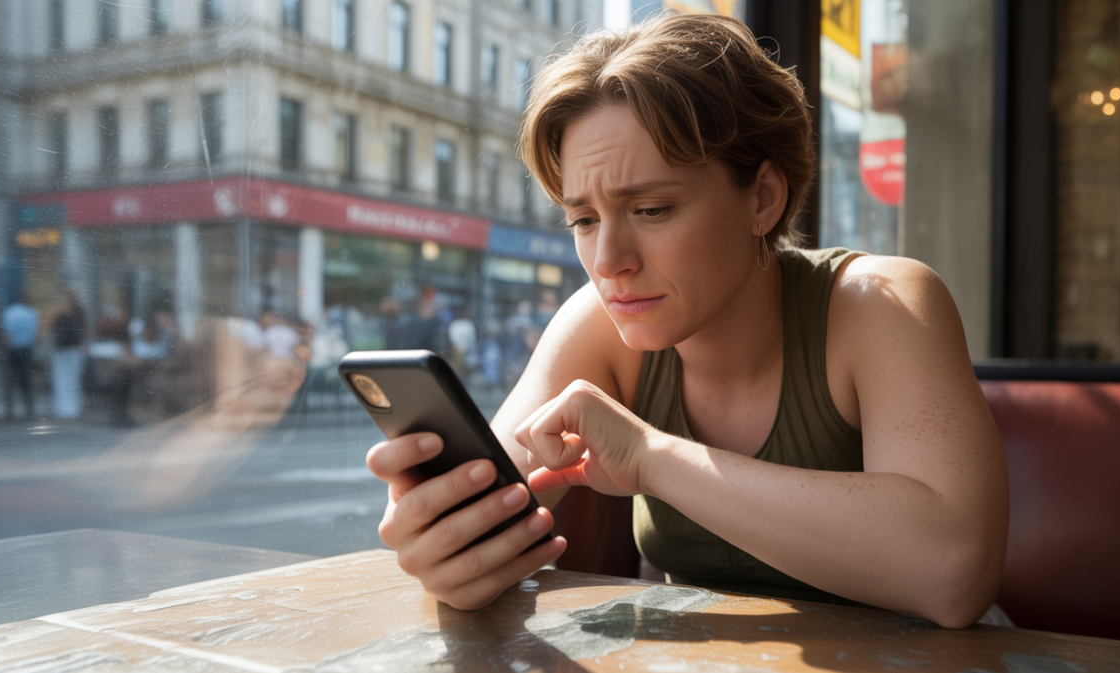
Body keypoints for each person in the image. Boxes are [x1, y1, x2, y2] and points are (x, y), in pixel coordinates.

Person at [366, 14, 1008, 629]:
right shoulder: (599, 325)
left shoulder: (882, 303)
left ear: (762, 198)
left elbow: (952, 573)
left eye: (650, 209)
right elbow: (489, 508)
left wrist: (650, 458)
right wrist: (448, 540)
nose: (608, 262)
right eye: (583, 221)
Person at [47, 289, 88, 419]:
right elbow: (84, 329)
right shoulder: (78, 310)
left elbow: (49, 327)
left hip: (62, 348)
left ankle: (62, 409)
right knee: (72, 380)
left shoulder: (57, 310)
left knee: (61, 379)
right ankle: (71, 409)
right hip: (73, 348)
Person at [1, 292, 40, 420]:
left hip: (13, 349)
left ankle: (9, 409)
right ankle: (29, 408)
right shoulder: (32, 313)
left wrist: (7, 348)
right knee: (26, 380)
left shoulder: (9, 312)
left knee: (10, 379)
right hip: (26, 350)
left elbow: (6, 334)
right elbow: (36, 335)